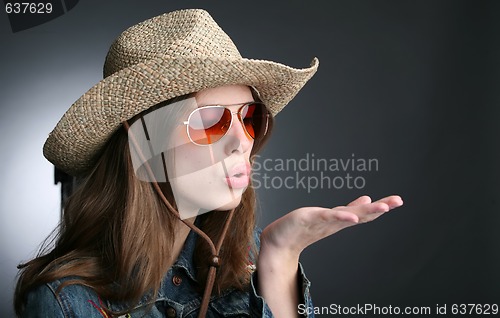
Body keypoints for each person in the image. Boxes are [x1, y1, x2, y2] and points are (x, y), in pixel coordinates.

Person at [14, 9, 403, 318]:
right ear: (144, 146)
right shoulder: (65, 301)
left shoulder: (245, 259)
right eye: (210, 120)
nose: (242, 140)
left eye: (249, 117)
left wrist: (281, 258)